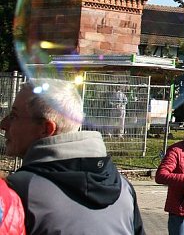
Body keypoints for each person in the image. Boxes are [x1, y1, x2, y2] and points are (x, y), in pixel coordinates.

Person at [1, 78, 145, 234]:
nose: (3, 124)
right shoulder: (124, 188)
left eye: (14, 116)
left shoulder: (20, 189)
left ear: (45, 128)